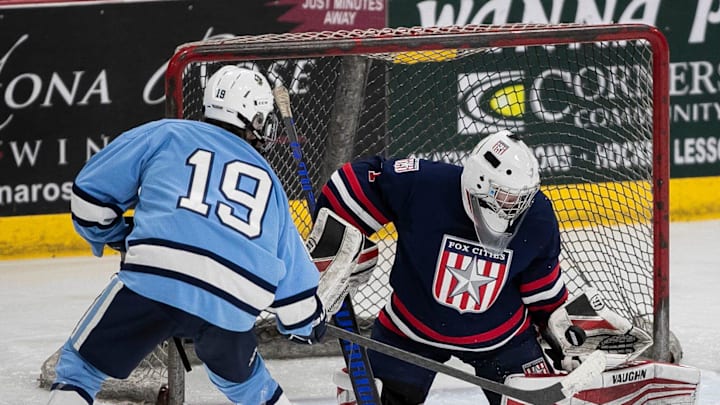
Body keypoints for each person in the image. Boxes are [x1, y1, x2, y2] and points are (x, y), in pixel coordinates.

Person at [47, 66, 328, 405]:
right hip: (233, 300)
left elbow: (88, 201)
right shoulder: (270, 183)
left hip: (156, 278)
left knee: (81, 370)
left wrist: (118, 235)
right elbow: (295, 295)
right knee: (251, 388)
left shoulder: (165, 133)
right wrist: (308, 325)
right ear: (255, 118)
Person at [318, 130, 570, 405]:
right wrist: (334, 245)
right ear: (479, 182)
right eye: (506, 196)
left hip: (503, 340)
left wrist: (559, 330)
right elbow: (349, 185)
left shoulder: (538, 215)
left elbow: (541, 287)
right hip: (409, 332)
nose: (516, 207)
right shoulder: (426, 185)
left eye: (522, 197)